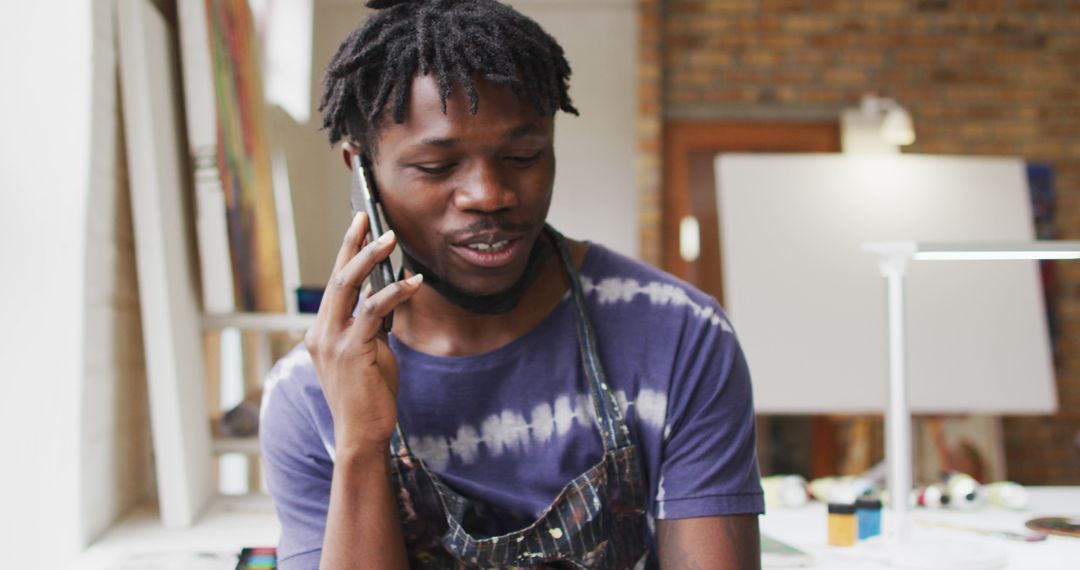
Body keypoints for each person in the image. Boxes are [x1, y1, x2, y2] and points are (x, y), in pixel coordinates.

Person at [260, 0, 764, 567]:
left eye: (522, 156)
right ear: (363, 172)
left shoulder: (678, 337)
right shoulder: (310, 395)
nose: (489, 194)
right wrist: (359, 444)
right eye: (437, 167)